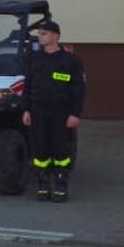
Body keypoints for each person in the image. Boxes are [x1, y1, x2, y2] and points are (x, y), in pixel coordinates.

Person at [21, 20, 85, 203]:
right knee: (40, 149)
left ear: (55, 36)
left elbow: (78, 89)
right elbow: (28, 85)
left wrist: (75, 113)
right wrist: (26, 109)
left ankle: (60, 186)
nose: (40, 37)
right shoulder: (34, 58)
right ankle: (42, 186)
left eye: (44, 34)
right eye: (40, 34)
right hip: (38, 110)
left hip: (61, 111)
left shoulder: (70, 61)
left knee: (60, 149)